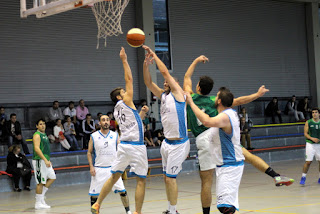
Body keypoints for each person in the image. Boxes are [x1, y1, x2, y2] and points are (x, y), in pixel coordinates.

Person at [183, 55, 294, 214]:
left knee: (206, 182)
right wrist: (257, 95)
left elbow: (187, 77)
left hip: (206, 138)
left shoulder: (191, 97)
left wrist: (195, 61)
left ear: (198, 87)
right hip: (219, 134)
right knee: (247, 155)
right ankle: (275, 175)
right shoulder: (215, 100)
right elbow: (240, 100)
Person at [91, 47, 149, 214]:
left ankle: (97, 204)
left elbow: (133, 121)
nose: (126, 92)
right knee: (141, 180)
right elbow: (129, 79)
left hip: (123, 146)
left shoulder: (116, 110)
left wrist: (142, 113)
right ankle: (137, 211)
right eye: (123, 92)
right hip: (136, 146)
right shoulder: (126, 100)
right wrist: (124, 59)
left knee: (114, 176)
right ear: (119, 96)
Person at [143, 45, 190, 214]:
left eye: (168, 81)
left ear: (175, 83)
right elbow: (148, 82)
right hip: (166, 143)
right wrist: (145, 64)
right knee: (166, 178)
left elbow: (164, 73)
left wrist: (154, 55)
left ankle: (174, 210)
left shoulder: (179, 93)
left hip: (179, 144)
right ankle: (171, 209)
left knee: (171, 179)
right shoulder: (163, 95)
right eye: (164, 82)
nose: (164, 82)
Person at [186, 87, 246, 214]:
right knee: (226, 206)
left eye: (217, 96)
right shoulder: (228, 114)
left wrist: (191, 103)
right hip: (228, 165)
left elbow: (206, 121)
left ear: (219, 101)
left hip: (230, 165)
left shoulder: (225, 117)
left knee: (226, 208)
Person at [87, 115, 132, 214]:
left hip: (113, 169)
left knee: (123, 192)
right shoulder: (93, 136)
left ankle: (128, 211)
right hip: (99, 169)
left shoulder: (115, 135)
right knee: (94, 195)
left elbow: (120, 151)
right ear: (99, 123)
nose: (106, 122)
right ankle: (95, 212)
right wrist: (91, 166)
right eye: (103, 120)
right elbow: (89, 152)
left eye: (107, 120)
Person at [32, 119, 56, 209]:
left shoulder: (44, 135)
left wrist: (47, 160)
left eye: (44, 124)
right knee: (40, 182)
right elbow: (37, 149)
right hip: (39, 160)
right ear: (37, 126)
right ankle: (38, 203)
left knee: (52, 177)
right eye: (40, 124)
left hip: (45, 160)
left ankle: (41, 197)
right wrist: (45, 160)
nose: (43, 126)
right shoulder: (37, 135)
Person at [299, 108, 320, 185]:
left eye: (316, 112)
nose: (314, 114)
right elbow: (305, 133)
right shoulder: (308, 122)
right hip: (310, 144)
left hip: (319, 144)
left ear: (319, 114)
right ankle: (303, 177)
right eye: (313, 112)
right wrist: (312, 138)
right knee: (308, 162)